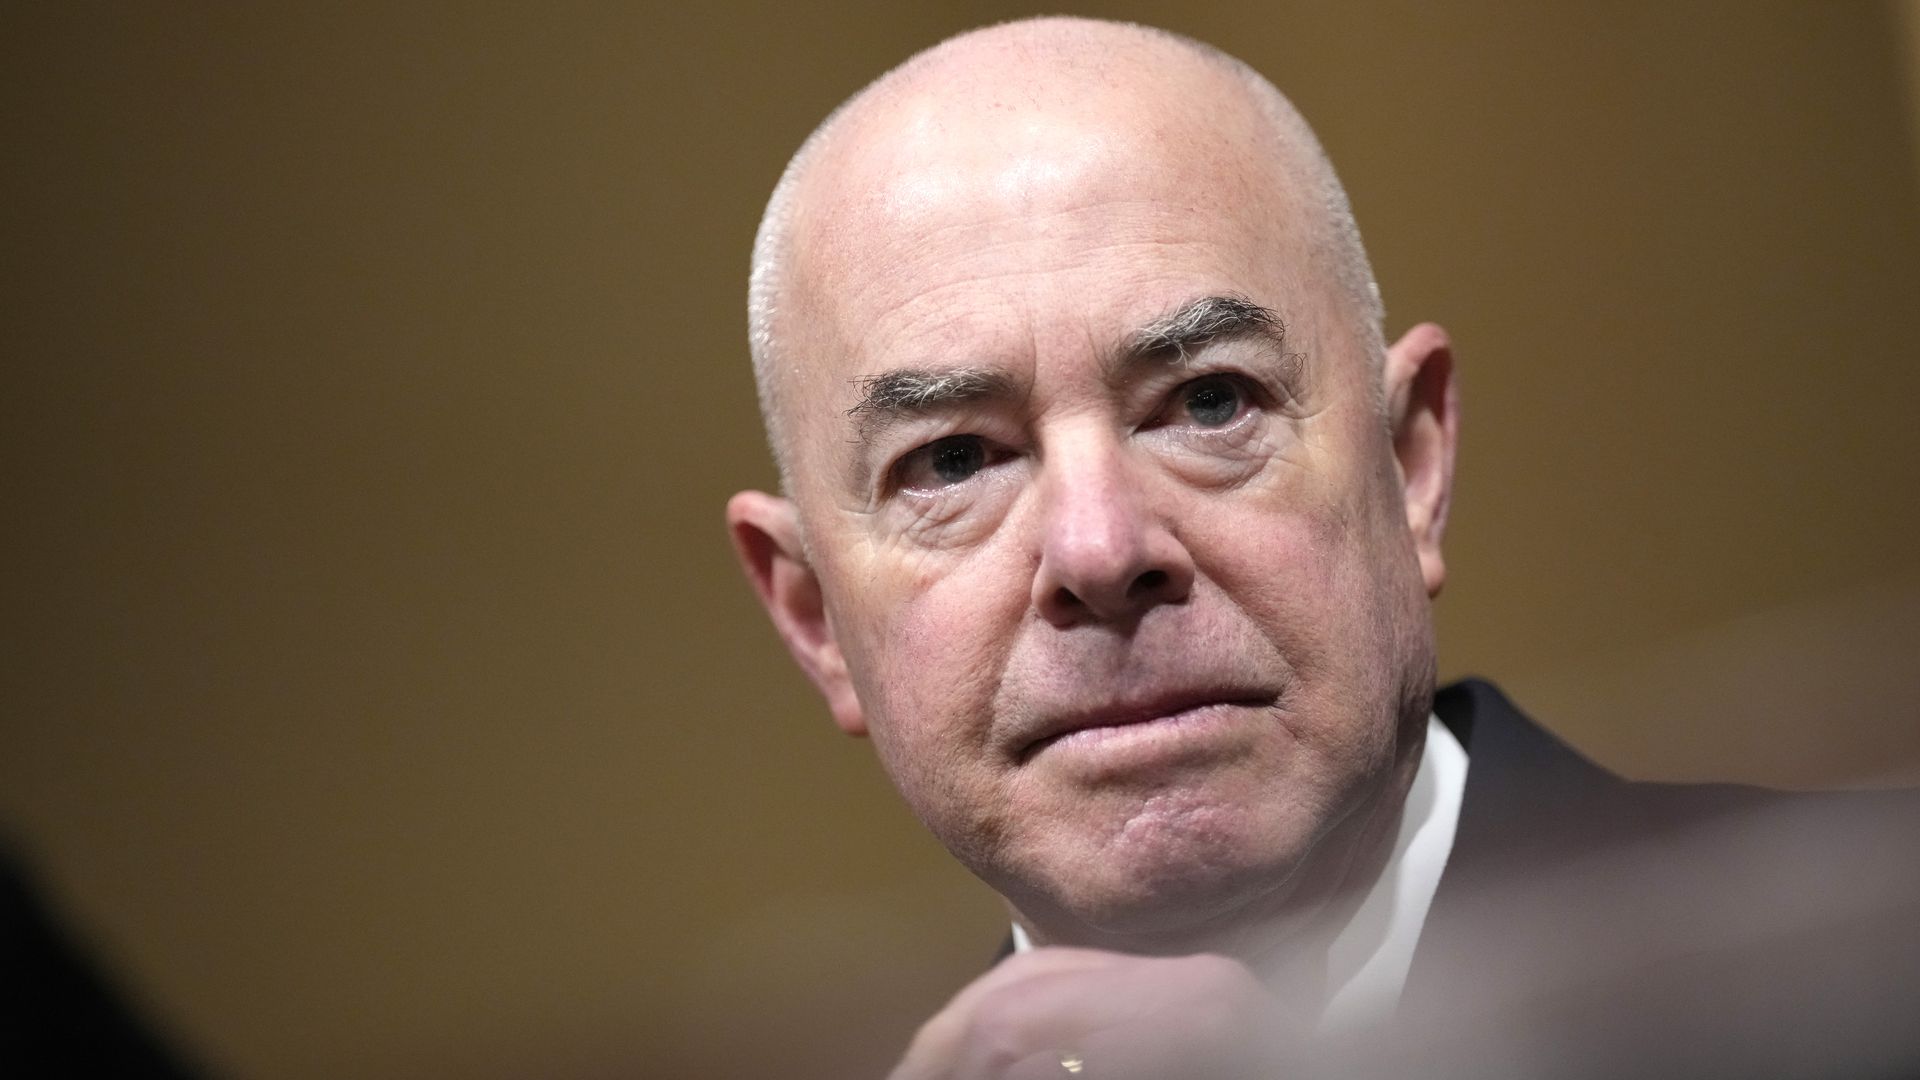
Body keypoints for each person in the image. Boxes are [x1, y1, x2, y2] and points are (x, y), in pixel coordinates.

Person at [725, 17, 1919, 1079]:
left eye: (1209, 403)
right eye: (951, 463)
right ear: (813, 620)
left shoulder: (1873, 955)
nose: (1099, 549)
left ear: (1411, 466)